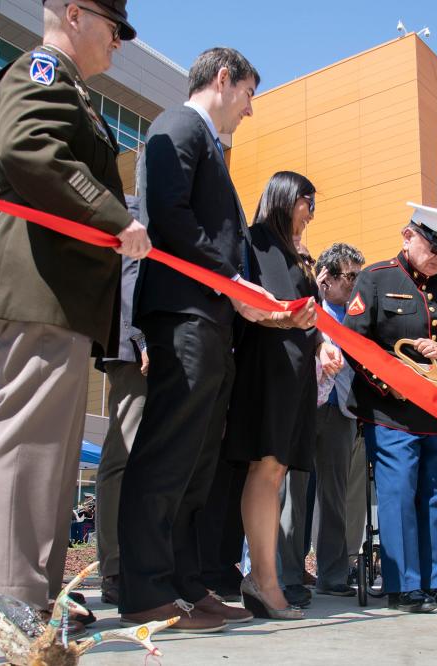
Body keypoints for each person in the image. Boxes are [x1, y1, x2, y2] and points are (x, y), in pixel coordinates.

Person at [0, 0, 150, 640]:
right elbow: (26, 147)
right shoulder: (42, 70)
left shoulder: (70, 87)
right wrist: (115, 214)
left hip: (61, 295)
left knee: (52, 452)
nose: (119, 43)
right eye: (114, 28)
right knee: (27, 440)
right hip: (37, 284)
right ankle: (2, 594)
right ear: (74, 14)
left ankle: (32, 592)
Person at [117, 47, 274, 633]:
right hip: (184, 313)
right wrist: (231, 280)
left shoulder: (206, 141)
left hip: (210, 319)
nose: (250, 110)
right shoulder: (179, 126)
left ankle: (185, 585)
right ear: (225, 78)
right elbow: (169, 218)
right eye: (250, 94)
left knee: (196, 464)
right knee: (167, 455)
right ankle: (146, 590)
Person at [343, 203, 437, 613]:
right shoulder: (375, 279)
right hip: (391, 409)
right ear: (407, 237)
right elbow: (355, 342)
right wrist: (393, 384)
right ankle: (404, 585)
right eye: (432, 248)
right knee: (399, 492)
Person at [224, 172, 340, 619]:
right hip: (266, 368)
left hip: (296, 372)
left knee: (277, 473)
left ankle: (265, 579)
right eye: (307, 200)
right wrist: (288, 322)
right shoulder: (255, 241)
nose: (311, 211)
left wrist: (324, 343)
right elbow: (251, 304)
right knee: (267, 468)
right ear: (286, 197)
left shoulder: (298, 254)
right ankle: (264, 581)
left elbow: (310, 317)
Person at [278, 242, 365, 606]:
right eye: (349, 277)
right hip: (303, 408)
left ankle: (333, 575)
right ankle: (289, 574)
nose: (354, 285)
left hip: (342, 413)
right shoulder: (307, 307)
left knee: (336, 498)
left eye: (358, 277)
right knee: (294, 497)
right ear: (325, 278)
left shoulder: (359, 316)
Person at [94, 194, 147, 605]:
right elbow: (130, 279)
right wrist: (141, 338)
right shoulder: (130, 209)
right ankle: (112, 566)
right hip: (132, 351)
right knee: (122, 455)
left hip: (162, 352)